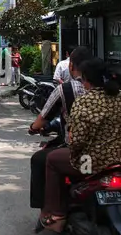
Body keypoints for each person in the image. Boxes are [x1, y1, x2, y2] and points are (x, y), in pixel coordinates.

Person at [37, 58, 121, 233]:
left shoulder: (85, 102)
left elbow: (77, 141)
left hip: (92, 163)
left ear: (85, 79)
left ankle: (56, 214)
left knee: (52, 159)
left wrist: (73, 145)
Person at [27, 46, 91, 210]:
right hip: (109, 150)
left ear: (71, 66)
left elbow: (42, 119)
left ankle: (50, 209)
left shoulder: (67, 90)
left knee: (42, 160)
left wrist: (33, 128)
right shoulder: (113, 92)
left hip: (80, 151)